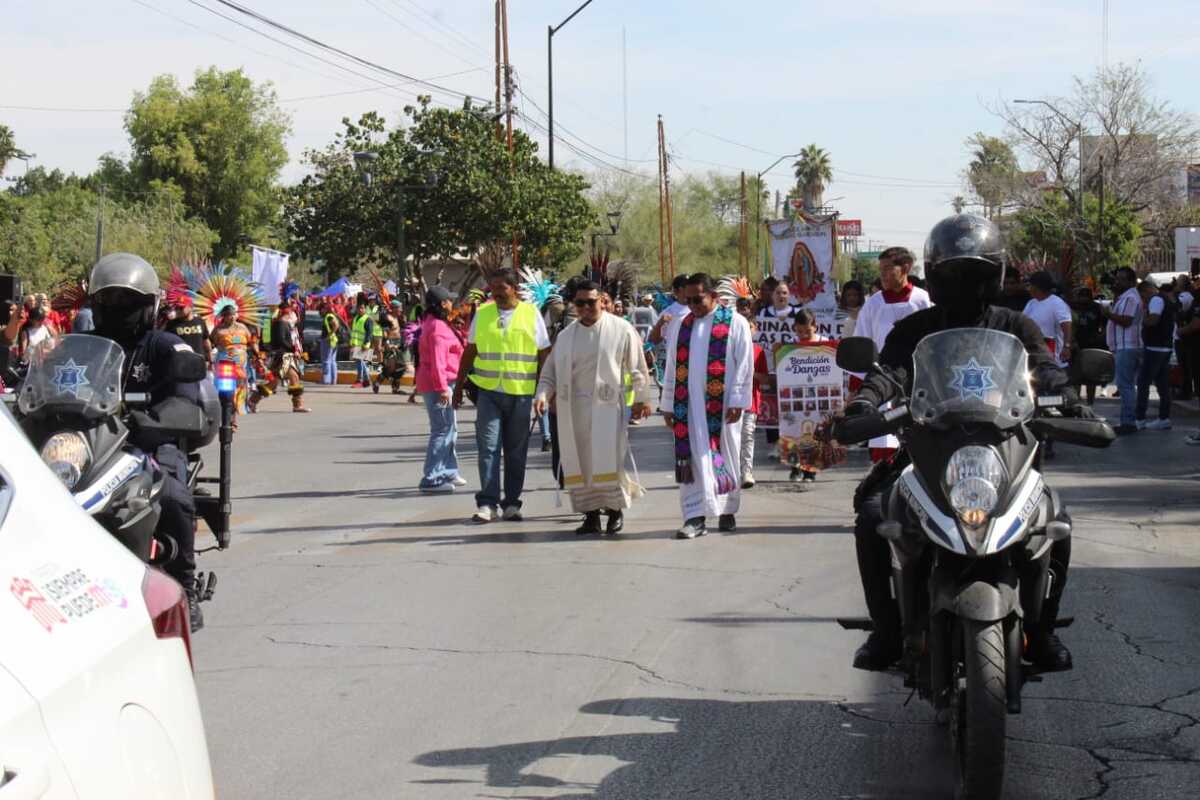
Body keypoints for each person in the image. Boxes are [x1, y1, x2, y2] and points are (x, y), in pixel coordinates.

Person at [844, 213, 1083, 673]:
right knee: (874, 515)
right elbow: (889, 373)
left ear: (992, 276)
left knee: (1055, 518)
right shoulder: (914, 330)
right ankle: (888, 631)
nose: (963, 285)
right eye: (954, 275)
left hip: (1004, 452)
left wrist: (1068, 397)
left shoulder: (1016, 326)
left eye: (973, 275)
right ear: (934, 276)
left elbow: (1043, 367)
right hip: (928, 450)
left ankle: (1043, 629)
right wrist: (865, 402)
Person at [87, 253, 207, 630]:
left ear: (150, 305)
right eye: (110, 300)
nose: (119, 308)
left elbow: (187, 395)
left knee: (171, 495)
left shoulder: (165, 345)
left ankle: (184, 588)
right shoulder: (81, 345)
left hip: (147, 442)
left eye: (130, 301)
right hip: (88, 449)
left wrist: (159, 417)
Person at [534, 281, 652, 535]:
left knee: (608, 460)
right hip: (572, 410)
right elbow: (549, 373)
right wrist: (542, 395)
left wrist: (643, 399)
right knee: (580, 461)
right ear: (573, 305)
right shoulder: (566, 337)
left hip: (608, 408)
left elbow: (638, 368)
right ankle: (590, 515)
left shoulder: (621, 329)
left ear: (602, 301)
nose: (586, 307)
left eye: (591, 302)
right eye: (580, 303)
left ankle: (614, 511)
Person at [452, 270, 551, 523]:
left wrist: (545, 390)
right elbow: (470, 350)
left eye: (501, 287)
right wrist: (458, 385)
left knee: (516, 452)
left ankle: (512, 503)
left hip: (520, 394)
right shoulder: (483, 314)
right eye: (492, 287)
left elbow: (544, 353)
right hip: (489, 392)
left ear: (514, 288)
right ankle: (487, 503)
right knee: (488, 448)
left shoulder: (531, 314)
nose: (495, 292)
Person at [660, 273, 753, 539]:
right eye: (687, 300)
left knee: (723, 454)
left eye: (698, 299)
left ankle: (727, 511)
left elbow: (744, 364)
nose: (692, 305)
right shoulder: (681, 325)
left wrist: (737, 399)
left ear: (714, 296)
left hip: (721, 406)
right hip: (687, 406)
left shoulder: (735, 323)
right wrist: (668, 403)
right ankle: (694, 516)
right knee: (690, 458)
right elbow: (671, 367)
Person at [852, 246, 933, 462]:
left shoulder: (923, 301)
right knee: (884, 451)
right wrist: (858, 389)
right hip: (883, 383)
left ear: (905, 267)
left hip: (919, 384)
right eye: (881, 269)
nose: (883, 274)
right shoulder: (873, 304)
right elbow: (862, 343)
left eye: (888, 268)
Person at [416, 287, 467, 493]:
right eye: (449, 300)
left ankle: (447, 470)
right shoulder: (437, 327)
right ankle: (432, 477)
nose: (452, 303)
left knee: (450, 428)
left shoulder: (436, 324)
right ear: (443, 304)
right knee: (442, 429)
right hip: (439, 383)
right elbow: (438, 361)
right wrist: (442, 388)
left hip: (444, 381)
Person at [786, 309, 828, 484]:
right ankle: (795, 468)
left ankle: (810, 471)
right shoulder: (789, 345)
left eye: (807, 331)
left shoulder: (826, 344)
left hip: (819, 399)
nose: (803, 335)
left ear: (815, 326)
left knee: (815, 435)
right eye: (799, 331)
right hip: (796, 398)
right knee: (794, 434)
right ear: (794, 328)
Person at [1102, 266, 1143, 435]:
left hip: (1128, 347)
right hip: (1124, 347)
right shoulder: (1125, 297)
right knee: (1126, 385)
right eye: (1117, 278)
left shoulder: (1131, 297)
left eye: (1121, 279)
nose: (1117, 282)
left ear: (1132, 281)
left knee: (1125, 386)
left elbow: (1126, 321)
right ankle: (1128, 420)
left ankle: (1128, 422)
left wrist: (1108, 314)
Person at [248, 302, 311, 413]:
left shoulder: (288, 325)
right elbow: (280, 341)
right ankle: (298, 405)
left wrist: (297, 350)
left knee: (273, 383)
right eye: (291, 312)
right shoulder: (281, 324)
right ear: (286, 313)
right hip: (282, 357)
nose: (294, 315)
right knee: (293, 378)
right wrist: (293, 349)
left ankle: (252, 401)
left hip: (287, 356)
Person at [736, 300, 770, 489]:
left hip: (750, 402)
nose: (745, 330)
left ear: (755, 329)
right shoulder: (728, 348)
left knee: (747, 436)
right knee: (730, 439)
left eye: (749, 327)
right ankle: (728, 471)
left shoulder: (758, 351)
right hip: (730, 402)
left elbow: (765, 379)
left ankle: (746, 471)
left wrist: (751, 373)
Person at [1137, 278, 1176, 431]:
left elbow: (1153, 320)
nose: (1143, 299)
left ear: (1147, 290)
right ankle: (1164, 418)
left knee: (1143, 383)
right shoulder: (1164, 299)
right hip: (1164, 347)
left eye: (1142, 296)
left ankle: (1139, 418)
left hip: (1155, 347)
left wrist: (1144, 319)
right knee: (1162, 384)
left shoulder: (1156, 300)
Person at [209, 304, 253, 427]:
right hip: (226, 363)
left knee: (239, 390)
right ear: (224, 316)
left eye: (233, 314)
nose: (232, 317)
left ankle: (233, 416)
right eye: (229, 315)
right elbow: (211, 342)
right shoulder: (218, 330)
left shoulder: (243, 327)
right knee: (227, 391)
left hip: (241, 363)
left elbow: (251, 341)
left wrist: (258, 356)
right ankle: (228, 419)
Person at [1022, 271, 1073, 368]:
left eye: (1030, 285)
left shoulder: (1057, 304)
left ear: (1037, 287)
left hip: (1054, 360)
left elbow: (1066, 325)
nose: (1028, 289)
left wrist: (1066, 347)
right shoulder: (1031, 303)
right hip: (1035, 356)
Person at [1068, 286, 1107, 405]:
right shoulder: (1072, 307)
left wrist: (1101, 336)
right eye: (1081, 296)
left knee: (1091, 377)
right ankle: (1076, 402)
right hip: (1076, 344)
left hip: (1092, 344)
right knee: (1076, 376)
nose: (1084, 298)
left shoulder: (1096, 308)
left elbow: (1105, 324)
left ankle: (1090, 403)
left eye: (1086, 296)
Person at [165, 297, 211, 367]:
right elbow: (166, 343)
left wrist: (210, 360)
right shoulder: (171, 324)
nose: (178, 310)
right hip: (180, 363)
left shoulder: (200, 321)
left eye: (181, 308)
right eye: (177, 308)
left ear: (190, 307)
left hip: (198, 362)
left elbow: (206, 342)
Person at [349, 302, 377, 388]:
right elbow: (354, 332)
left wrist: (365, 344)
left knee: (360, 362)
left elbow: (369, 333)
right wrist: (352, 343)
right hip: (356, 344)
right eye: (359, 308)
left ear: (365, 309)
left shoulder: (368, 319)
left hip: (364, 344)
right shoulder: (356, 318)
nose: (360, 310)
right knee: (360, 362)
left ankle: (360, 380)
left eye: (362, 308)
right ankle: (366, 380)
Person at [319, 300, 341, 385]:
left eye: (321, 309)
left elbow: (336, 325)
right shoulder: (331, 315)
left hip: (328, 341)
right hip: (333, 341)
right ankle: (333, 380)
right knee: (332, 361)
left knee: (326, 360)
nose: (320, 311)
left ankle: (326, 380)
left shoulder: (328, 316)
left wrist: (329, 335)